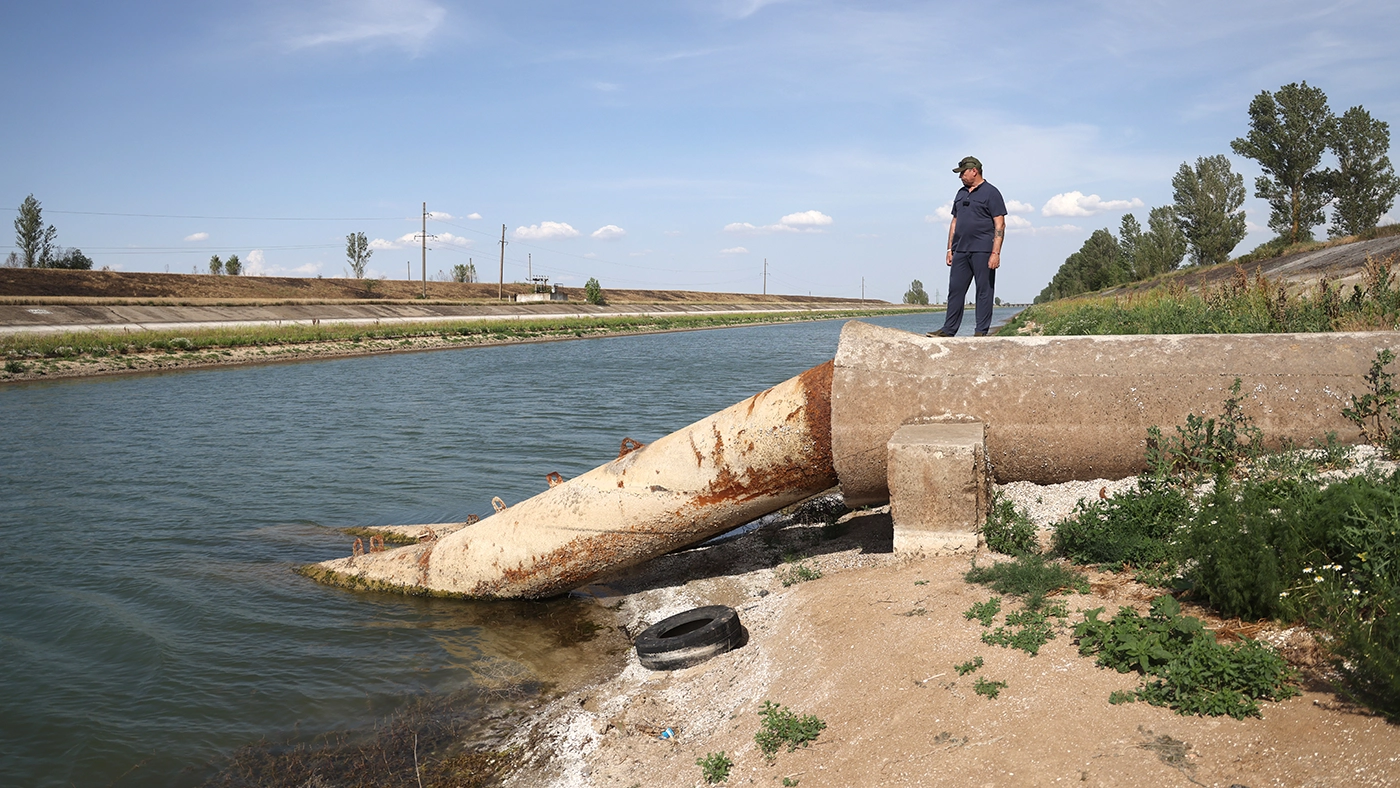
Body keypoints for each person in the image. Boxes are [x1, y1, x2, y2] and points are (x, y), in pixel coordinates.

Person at [929, 156, 1006, 337]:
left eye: (963, 172)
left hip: (983, 250)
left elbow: (1000, 224)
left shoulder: (991, 193)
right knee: (955, 291)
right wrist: (950, 249)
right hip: (961, 250)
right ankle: (948, 331)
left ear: (974, 171)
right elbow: (954, 222)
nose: (960, 177)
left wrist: (996, 252)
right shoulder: (960, 193)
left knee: (983, 291)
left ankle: (980, 332)